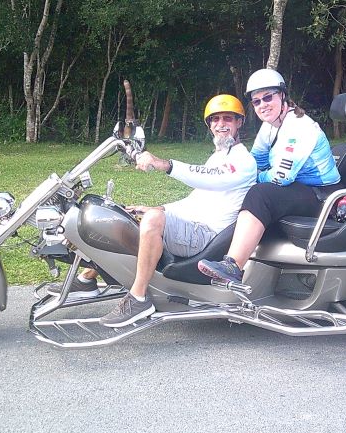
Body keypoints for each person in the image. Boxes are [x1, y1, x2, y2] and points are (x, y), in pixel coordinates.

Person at [98, 94, 257, 328]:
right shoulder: (218, 157)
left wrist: (165, 164)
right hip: (193, 226)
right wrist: (158, 208)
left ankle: (138, 298)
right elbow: (197, 198)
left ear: (239, 123)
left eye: (228, 119)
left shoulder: (243, 160)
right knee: (123, 218)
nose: (221, 125)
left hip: (208, 235)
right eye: (215, 120)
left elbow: (212, 180)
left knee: (152, 220)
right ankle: (86, 280)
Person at [198, 69, 340, 283]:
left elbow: (280, 177)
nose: (262, 105)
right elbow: (255, 161)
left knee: (261, 193)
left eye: (268, 97)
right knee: (248, 186)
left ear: (283, 96)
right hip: (298, 188)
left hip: (322, 196)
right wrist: (243, 172)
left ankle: (233, 265)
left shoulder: (300, 127)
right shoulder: (270, 126)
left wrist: (254, 176)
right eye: (256, 102)